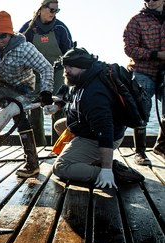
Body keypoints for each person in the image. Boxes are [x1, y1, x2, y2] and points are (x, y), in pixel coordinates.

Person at [0, 11, 54, 178]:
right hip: (1, 85)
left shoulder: (25, 49)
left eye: (2, 36)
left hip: (21, 85)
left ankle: (32, 163)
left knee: (18, 116)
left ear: (10, 34)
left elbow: (46, 68)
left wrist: (46, 91)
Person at [52, 47, 126, 188]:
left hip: (100, 137)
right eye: (65, 66)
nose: (66, 71)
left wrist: (106, 170)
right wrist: (57, 106)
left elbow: (104, 131)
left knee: (61, 167)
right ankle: (89, 159)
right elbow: (66, 92)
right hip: (86, 128)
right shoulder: (81, 78)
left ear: (83, 67)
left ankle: (112, 173)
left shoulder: (94, 94)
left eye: (71, 67)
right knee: (59, 125)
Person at [19, 0, 74, 146]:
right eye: (51, 10)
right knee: (35, 112)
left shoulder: (61, 28)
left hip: (57, 74)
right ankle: (38, 146)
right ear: (42, 8)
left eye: (57, 10)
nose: (54, 13)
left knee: (58, 109)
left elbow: (69, 53)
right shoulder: (28, 28)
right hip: (34, 75)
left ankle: (59, 147)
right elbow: (18, 50)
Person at [123, 0, 165, 164]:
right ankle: (140, 152)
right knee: (141, 112)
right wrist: (156, 55)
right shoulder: (136, 21)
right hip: (143, 71)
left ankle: (161, 145)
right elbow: (130, 49)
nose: (151, 1)